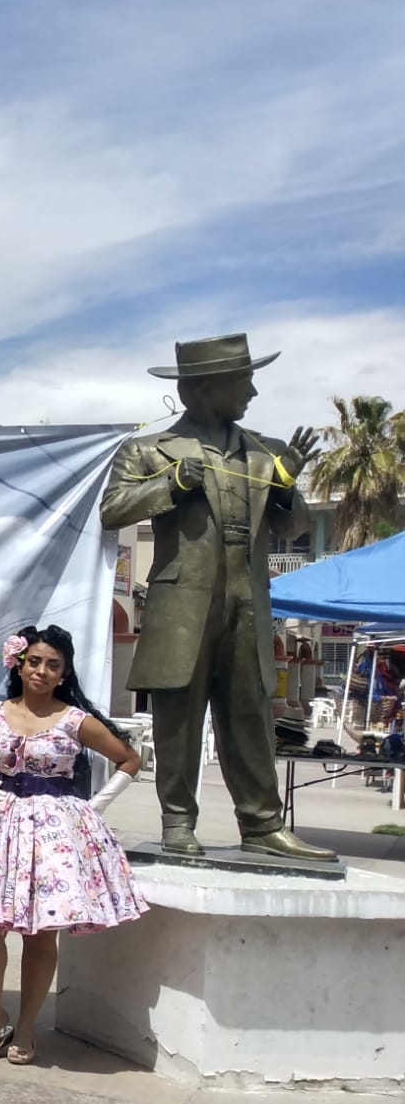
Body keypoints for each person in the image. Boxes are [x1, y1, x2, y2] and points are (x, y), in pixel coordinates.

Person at [98, 334, 332, 861]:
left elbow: (293, 529)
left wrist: (288, 486)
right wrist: (173, 484)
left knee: (250, 712)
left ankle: (262, 825)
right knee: (178, 717)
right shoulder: (148, 449)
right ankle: (178, 823)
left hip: (248, 598)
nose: (251, 390)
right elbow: (113, 510)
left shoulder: (264, 452)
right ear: (203, 389)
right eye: (242, 380)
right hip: (181, 601)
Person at [0, 626, 149, 1066]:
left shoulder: (74, 720)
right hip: (2, 828)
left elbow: (129, 759)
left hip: (53, 834)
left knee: (41, 931)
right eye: (35, 662)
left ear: (64, 673)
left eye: (53, 665)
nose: (42, 671)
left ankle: (27, 1025)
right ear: (19, 664)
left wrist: (90, 808)